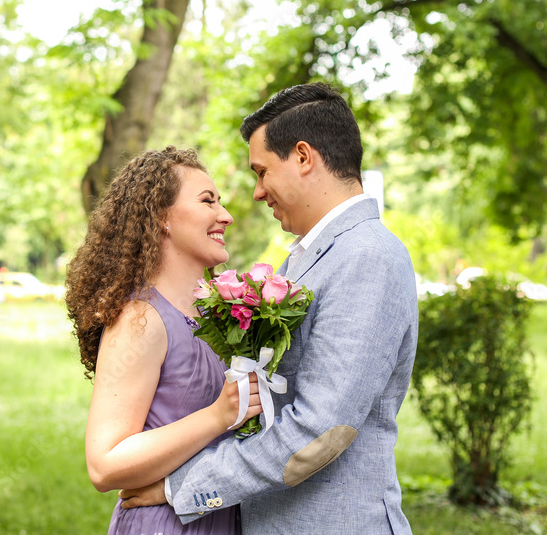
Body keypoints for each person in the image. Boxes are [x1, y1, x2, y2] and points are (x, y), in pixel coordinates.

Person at [121, 83, 419, 533]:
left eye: (262, 171)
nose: (258, 193)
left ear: (303, 157)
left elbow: (322, 430)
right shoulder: (310, 258)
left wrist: (179, 487)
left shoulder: (366, 256)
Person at [65, 146, 262, 534]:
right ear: (160, 218)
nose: (226, 215)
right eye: (208, 201)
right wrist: (218, 416)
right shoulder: (140, 317)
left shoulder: (217, 315)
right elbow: (104, 464)